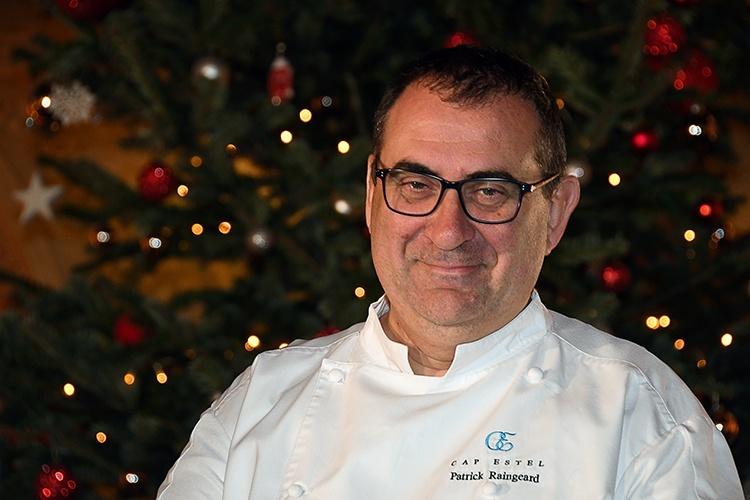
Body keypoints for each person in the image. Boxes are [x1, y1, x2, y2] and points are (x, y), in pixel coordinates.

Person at [157, 46, 743, 499]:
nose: (447, 231)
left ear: (555, 212)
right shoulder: (261, 403)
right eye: (416, 184)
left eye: (490, 191)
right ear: (372, 197)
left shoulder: (640, 415)